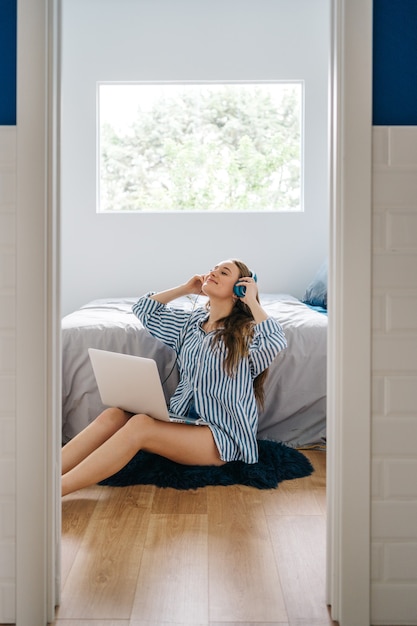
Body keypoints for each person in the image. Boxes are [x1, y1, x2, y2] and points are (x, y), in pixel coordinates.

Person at [61, 259, 287, 496]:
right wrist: (186, 289)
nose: (213, 273)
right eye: (213, 269)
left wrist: (251, 299)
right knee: (113, 415)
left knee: (140, 426)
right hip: (183, 421)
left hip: (223, 436)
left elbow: (275, 341)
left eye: (224, 272)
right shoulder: (189, 324)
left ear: (238, 289)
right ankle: (47, 473)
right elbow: (144, 309)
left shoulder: (247, 333)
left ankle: (57, 490)